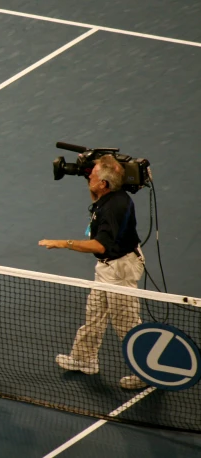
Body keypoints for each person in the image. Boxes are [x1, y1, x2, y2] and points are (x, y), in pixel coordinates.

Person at [39, 155, 147, 390]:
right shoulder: (107, 195)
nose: (88, 175)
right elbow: (97, 191)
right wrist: (95, 166)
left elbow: (99, 245)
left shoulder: (114, 208)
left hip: (120, 268)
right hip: (107, 266)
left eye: (93, 175)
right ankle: (84, 358)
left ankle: (146, 371)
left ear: (104, 184)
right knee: (95, 314)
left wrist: (62, 243)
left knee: (126, 322)